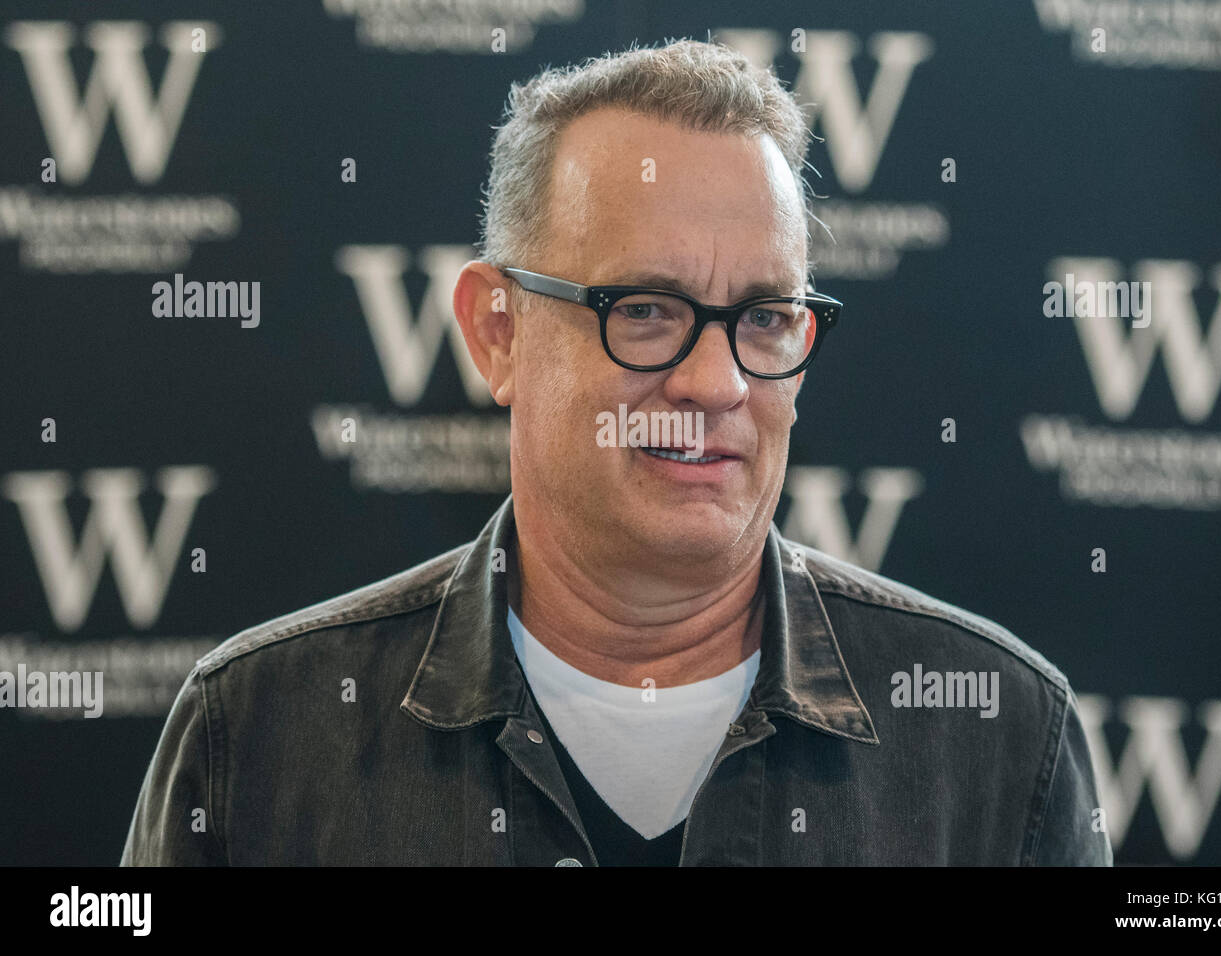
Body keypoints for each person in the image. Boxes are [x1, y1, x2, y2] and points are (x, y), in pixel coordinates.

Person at [121, 38, 1111, 866]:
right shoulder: (257, 736)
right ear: (496, 331)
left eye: (765, 317)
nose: (715, 383)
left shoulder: (998, 743)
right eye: (644, 310)